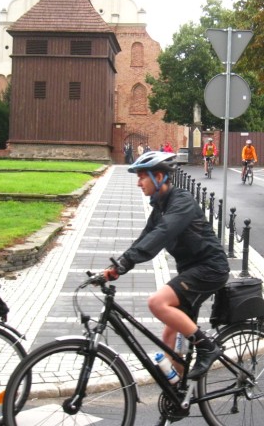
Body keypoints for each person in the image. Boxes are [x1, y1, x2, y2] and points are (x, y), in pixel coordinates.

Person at [101, 151, 229, 385]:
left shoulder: (181, 202)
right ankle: (177, 392)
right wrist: (118, 265)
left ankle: (207, 348)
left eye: (142, 177)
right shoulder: (160, 207)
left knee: (157, 303)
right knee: (169, 336)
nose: (139, 183)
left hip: (210, 268)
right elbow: (146, 236)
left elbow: (163, 233)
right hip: (191, 272)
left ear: (159, 176)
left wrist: (126, 262)